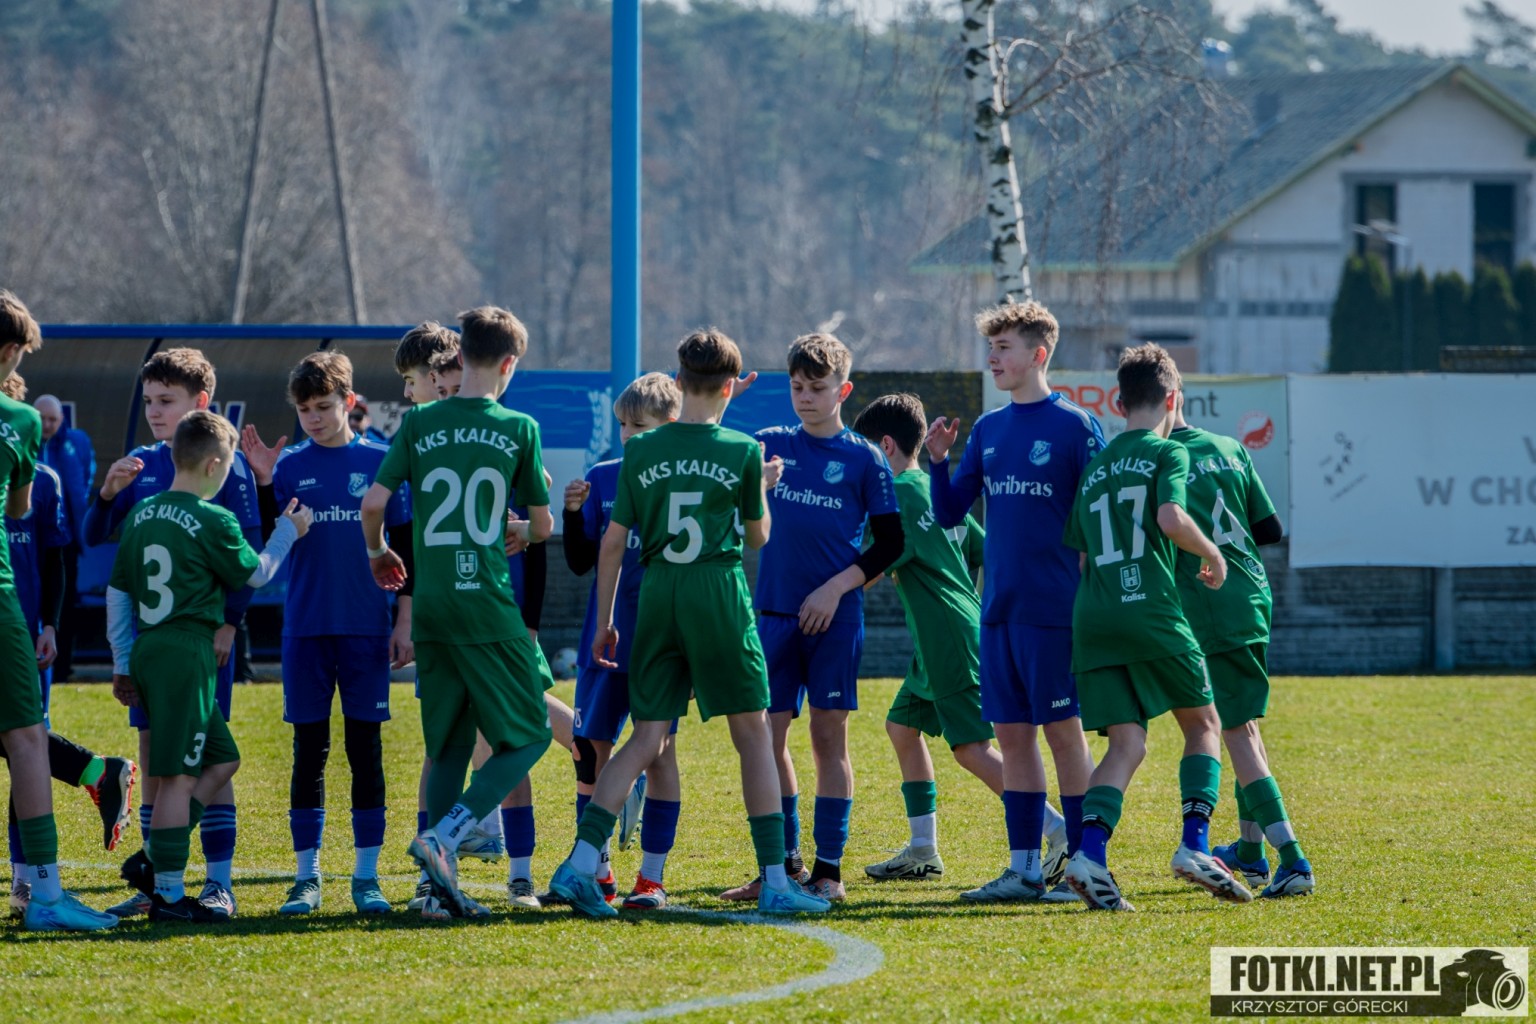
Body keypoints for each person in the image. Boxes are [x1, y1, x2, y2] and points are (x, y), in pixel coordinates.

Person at [548, 328, 831, 918]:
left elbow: (611, 545)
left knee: (645, 738)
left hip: (656, 595)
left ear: (678, 382)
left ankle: (580, 863)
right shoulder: (741, 449)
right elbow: (757, 536)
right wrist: (760, 487)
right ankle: (776, 880)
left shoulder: (641, 450)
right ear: (730, 386)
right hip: (716, 590)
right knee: (752, 734)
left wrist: (605, 621)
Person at [364, 306, 555, 921]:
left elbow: (373, 505)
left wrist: (379, 552)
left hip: (433, 606)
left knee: (446, 745)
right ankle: (446, 835)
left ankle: (434, 894)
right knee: (531, 732)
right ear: (508, 364)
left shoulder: (420, 422)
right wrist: (521, 529)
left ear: (461, 356)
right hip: (486, 602)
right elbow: (543, 525)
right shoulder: (518, 426)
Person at [1059, 343, 1249, 911]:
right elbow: (1170, 517)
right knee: (1204, 724)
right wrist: (1212, 551)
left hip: (1093, 617)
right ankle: (1195, 846)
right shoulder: (1168, 452)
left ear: (1119, 402)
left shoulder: (1095, 469)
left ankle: (1089, 857)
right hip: (1151, 610)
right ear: (1173, 399)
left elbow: (1082, 559)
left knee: (1127, 742)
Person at [925, 301, 1102, 903]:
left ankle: (1084, 863)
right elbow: (950, 511)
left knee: (1064, 735)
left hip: (1055, 613)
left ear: (1038, 354)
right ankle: (1025, 868)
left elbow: (1099, 520)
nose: (993, 357)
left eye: (1004, 347)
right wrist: (938, 462)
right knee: (1014, 736)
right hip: (997, 611)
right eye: (991, 346)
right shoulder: (989, 429)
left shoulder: (1076, 427)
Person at [107, 411, 309, 923]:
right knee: (177, 777)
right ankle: (169, 896)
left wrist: (123, 662)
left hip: (151, 647)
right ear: (215, 465)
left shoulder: (142, 513)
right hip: (186, 651)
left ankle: (153, 859)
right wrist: (288, 531)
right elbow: (257, 574)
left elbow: (118, 593)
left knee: (223, 760)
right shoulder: (214, 518)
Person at [722, 333, 903, 904]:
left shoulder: (865, 458)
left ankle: (829, 870)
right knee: (766, 738)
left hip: (835, 618)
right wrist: (725, 404)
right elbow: (711, 452)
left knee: (828, 738)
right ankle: (781, 864)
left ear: (843, 391)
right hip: (773, 614)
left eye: (817, 388)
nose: (805, 397)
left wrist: (835, 588)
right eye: (797, 387)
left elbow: (891, 544)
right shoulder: (769, 444)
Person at [83, 347, 262, 919]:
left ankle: (218, 882)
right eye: (149, 402)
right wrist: (106, 495)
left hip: (203, 641)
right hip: (153, 644)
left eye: (167, 401)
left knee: (205, 755)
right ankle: (159, 882)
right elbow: (95, 537)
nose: (155, 412)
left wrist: (230, 623)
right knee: (157, 756)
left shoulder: (222, 459)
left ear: (199, 403)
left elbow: (247, 553)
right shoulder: (138, 464)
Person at [239, 352, 412, 915]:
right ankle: (306, 877)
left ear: (349, 402)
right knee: (308, 753)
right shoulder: (288, 466)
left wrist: (404, 620)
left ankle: (366, 877)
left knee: (366, 752)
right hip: (306, 631)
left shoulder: (382, 462)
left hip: (366, 630)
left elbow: (408, 549)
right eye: (304, 409)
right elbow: (266, 540)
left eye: (323, 406)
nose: (313, 418)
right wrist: (265, 481)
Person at [851, 393, 1006, 882]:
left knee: (972, 749)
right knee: (901, 727)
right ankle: (922, 851)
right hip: (944, 637)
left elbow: (868, 571)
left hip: (948, 640)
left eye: (865, 453)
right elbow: (983, 549)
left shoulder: (899, 495)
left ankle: (1059, 833)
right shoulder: (935, 490)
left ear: (886, 446)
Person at [0, 290, 118, 931]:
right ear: (11, 351)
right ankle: (44, 894)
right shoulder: (18, 421)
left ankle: (98, 773)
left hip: (18, 606)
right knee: (24, 737)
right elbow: (18, 509)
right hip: (0, 600)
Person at [1168, 392, 1314, 898]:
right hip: (1252, 595)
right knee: (1245, 727)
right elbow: (1270, 529)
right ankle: (1250, 853)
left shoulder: (1162, 460)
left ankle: (1293, 860)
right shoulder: (1229, 447)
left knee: (1234, 733)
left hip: (1212, 605)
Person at [562, 372, 684, 909]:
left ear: (670, 424)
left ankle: (652, 877)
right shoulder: (603, 477)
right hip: (604, 641)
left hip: (661, 641)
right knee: (589, 752)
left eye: (641, 425)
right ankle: (599, 870)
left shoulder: (683, 478)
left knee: (660, 754)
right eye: (623, 426)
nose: (630, 435)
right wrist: (572, 515)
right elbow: (579, 562)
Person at [35, 393, 94, 681]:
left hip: (65, 538)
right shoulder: (24, 441)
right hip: (31, 538)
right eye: (42, 418)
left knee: (63, 602)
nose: (47, 425)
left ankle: (62, 668)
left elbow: (85, 479)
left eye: (53, 420)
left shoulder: (75, 443)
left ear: (61, 421)